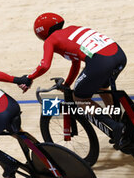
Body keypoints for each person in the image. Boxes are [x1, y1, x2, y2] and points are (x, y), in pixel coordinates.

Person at [17, 12, 127, 146]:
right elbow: (76, 63)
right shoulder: (72, 29)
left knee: (79, 98)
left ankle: (114, 126)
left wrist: (29, 77)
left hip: (101, 63)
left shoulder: (51, 40)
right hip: (119, 55)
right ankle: (123, 124)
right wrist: (67, 84)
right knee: (102, 87)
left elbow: (44, 65)